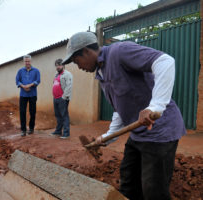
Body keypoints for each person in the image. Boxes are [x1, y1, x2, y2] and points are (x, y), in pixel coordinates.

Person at [62, 32, 186, 200]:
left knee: (154, 190)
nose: (80, 67)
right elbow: (120, 109)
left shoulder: (119, 52)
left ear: (86, 51)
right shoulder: (101, 74)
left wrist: (155, 106)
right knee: (128, 185)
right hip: (139, 134)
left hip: (160, 132)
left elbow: (165, 61)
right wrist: (107, 137)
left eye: (77, 62)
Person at [15, 55, 41, 136]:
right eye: (26, 61)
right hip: (23, 95)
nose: (27, 63)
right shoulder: (20, 71)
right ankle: (23, 130)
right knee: (22, 112)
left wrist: (30, 85)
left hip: (33, 94)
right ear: (24, 62)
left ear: (31, 61)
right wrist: (23, 86)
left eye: (28, 61)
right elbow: (17, 81)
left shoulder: (36, 71)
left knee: (32, 112)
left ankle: (31, 128)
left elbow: (38, 80)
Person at [51, 59, 73, 139]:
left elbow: (69, 86)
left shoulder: (67, 74)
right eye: (56, 65)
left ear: (63, 65)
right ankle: (58, 131)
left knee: (64, 115)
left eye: (59, 65)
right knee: (58, 115)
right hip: (56, 98)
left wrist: (64, 97)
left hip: (62, 98)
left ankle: (66, 133)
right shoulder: (56, 75)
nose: (58, 67)